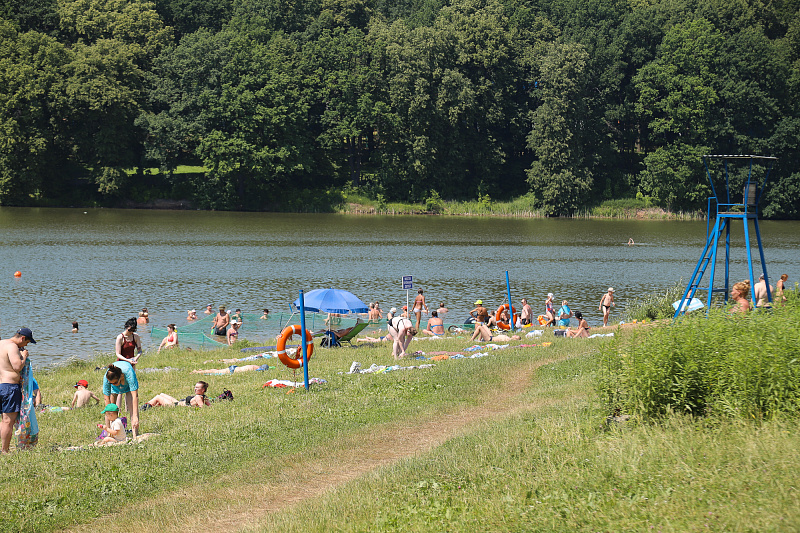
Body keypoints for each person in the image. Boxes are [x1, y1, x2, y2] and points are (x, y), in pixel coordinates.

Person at [0, 328, 34, 454]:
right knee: (8, 421)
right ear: (22, 338)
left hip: (0, 385)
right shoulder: (12, 346)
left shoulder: (1, 343)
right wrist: (24, 357)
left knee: (3, 420)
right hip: (9, 387)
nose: (25, 346)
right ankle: (5, 450)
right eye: (27, 342)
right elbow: (17, 366)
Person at [103, 361, 140, 436]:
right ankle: (109, 434)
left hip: (128, 386)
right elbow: (106, 399)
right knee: (110, 411)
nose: (113, 384)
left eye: (115, 383)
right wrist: (109, 414)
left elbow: (135, 396)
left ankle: (135, 435)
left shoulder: (129, 373)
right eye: (111, 383)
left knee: (132, 408)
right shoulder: (107, 378)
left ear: (121, 376)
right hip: (115, 388)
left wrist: (135, 416)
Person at [143, 381, 211, 409]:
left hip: (175, 406)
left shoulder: (198, 397)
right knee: (162, 394)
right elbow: (210, 406)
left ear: (203, 390)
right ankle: (152, 407)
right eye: (195, 387)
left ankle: (144, 408)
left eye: (197, 388)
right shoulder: (205, 397)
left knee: (158, 397)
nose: (195, 389)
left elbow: (202, 407)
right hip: (178, 402)